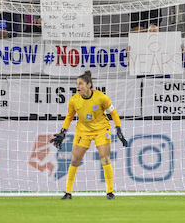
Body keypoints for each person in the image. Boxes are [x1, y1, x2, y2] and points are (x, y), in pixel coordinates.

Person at [50, 70, 129, 200]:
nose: (77, 87)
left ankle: (110, 192)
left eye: (80, 84)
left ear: (89, 85)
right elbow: (69, 117)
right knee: (75, 160)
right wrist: (63, 131)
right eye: (77, 84)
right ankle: (68, 192)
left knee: (104, 158)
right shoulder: (74, 100)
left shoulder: (101, 97)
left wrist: (118, 128)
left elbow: (113, 113)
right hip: (83, 131)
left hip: (101, 130)